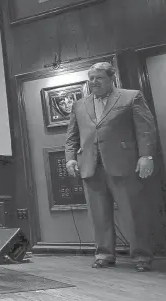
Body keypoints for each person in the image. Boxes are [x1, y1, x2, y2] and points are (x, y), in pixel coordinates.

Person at [65, 62, 157, 272]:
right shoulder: (79, 104)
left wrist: (146, 156)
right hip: (90, 165)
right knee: (99, 215)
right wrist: (70, 158)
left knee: (133, 213)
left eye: (99, 78)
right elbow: (71, 136)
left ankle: (142, 256)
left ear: (111, 78)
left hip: (123, 164)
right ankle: (104, 254)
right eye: (91, 79)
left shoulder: (131, 97)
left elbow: (145, 130)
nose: (93, 82)